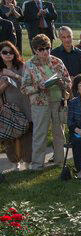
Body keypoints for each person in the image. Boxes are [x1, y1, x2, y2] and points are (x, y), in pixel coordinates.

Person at [21, 33, 70, 171]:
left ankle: (60, 161)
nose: (45, 52)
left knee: (59, 134)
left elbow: (68, 80)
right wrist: (38, 87)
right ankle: (37, 165)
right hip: (39, 104)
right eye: (41, 49)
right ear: (35, 50)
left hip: (58, 102)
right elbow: (24, 88)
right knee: (40, 134)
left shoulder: (57, 62)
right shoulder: (29, 65)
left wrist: (62, 83)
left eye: (47, 48)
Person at [0, 40, 31, 171]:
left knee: (27, 134)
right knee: (10, 136)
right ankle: (14, 162)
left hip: (24, 104)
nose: (8, 55)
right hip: (8, 107)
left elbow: (29, 82)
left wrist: (14, 75)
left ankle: (28, 162)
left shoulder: (22, 66)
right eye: (4, 52)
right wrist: (5, 84)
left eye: (11, 52)